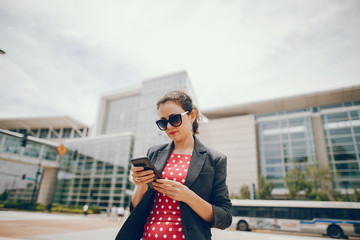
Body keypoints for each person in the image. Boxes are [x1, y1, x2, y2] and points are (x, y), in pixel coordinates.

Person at [115, 90, 232, 240]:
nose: (169, 126)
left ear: (192, 116)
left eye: (175, 119)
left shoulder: (215, 159)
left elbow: (225, 217)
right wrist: (141, 185)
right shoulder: (154, 153)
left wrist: (188, 196)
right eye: (163, 122)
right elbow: (136, 208)